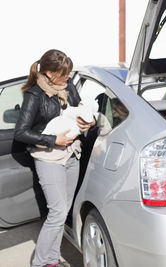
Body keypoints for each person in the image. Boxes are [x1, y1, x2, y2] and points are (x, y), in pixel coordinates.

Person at [14, 49, 95, 267]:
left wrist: (89, 123)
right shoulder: (34, 95)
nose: (69, 77)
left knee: (63, 212)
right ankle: (39, 263)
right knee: (58, 212)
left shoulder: (67, 86)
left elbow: (81, 110)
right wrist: (53, 140)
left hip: (72, 155)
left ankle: (51, 261)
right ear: (50, 74)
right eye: (64, 73)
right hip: (48, 158)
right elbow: (21, 132)